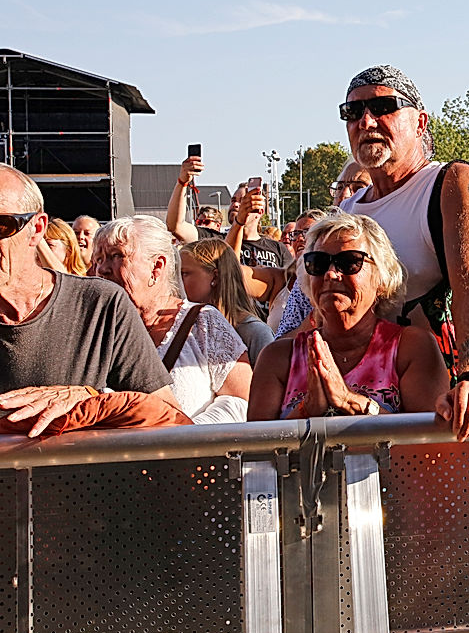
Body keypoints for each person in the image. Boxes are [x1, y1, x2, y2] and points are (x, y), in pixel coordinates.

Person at [274, 65, 469, 439]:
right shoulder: (348, 212)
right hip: (373, 403)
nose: (366, 120)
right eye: (353, 112)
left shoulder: (448, 182)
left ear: (420, 121)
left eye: (383, 107)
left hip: (455, 399)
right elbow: (317, 309)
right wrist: (276, 359)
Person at [0, 165, 176, 437]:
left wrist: (93, 402)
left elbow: (169, 418)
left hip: (79, 479)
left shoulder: (100, 305)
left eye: (2, 225)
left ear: (36, 229)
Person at [249, 211, 448, 419]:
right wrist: (306, 410)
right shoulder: (279, 358)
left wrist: (349, 401)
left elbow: (425, 441)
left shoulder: (411, 349)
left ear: (381, 278)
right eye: (318, 262)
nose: (331, 273)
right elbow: (257, 448)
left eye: (349, 262)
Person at [94, 216, 251, 424]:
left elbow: (240, 400)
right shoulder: (93, 329)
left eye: (116, 256)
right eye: (97, 259)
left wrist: (187, 434)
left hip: (191, 453)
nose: (102, 269)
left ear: (157, 267)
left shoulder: (203, 323)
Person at [180, 239, 276, 365]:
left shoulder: (255, 333)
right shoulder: (184, 325)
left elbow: (267, 382)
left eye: (185, 273)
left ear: (215, 276)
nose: (179, 280)